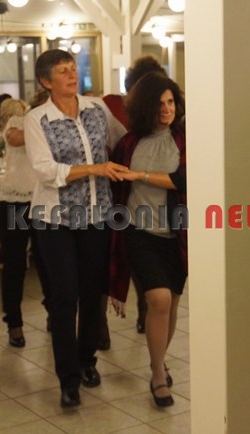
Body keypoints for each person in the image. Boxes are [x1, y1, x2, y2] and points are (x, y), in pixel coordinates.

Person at [24, 49, 126, 408]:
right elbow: (45, 171)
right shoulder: (37, 118)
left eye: (73, 68)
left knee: (92, 291)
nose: (71, 75)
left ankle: (87, 361)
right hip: (55, 219)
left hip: (97, 214)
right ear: (46, 81)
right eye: (62, 71)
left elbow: (122, 141)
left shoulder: (97, 108)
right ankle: (67, 379)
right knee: (64, 296)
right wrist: (94, 169)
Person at [109, 72, 187, 408]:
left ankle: (160, 360)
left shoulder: (184, 139)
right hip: (138, 230)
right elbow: (115, 184)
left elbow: (184, 179)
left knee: (173, 303)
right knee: (159, 300)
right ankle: (157, 374)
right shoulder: (129, 143)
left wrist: (140, 175)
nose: (167, 109)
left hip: (178, 233)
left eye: (171, 102)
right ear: (145, 107)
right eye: (159, 104)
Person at [102, 56, 168, 338]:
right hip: (111, 190)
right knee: (108, 257)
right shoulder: (110, 105)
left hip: (149, 195)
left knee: (145, 262)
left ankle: (144, 311)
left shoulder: (162, 110)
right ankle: (100, 324)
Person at [0, 98, 38, 347]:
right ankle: (14, 323)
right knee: (15, 264)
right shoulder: (18, 122)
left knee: (48, 262)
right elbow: (14, 138)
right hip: (15, 203)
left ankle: (54, 314)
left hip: (44, 203)